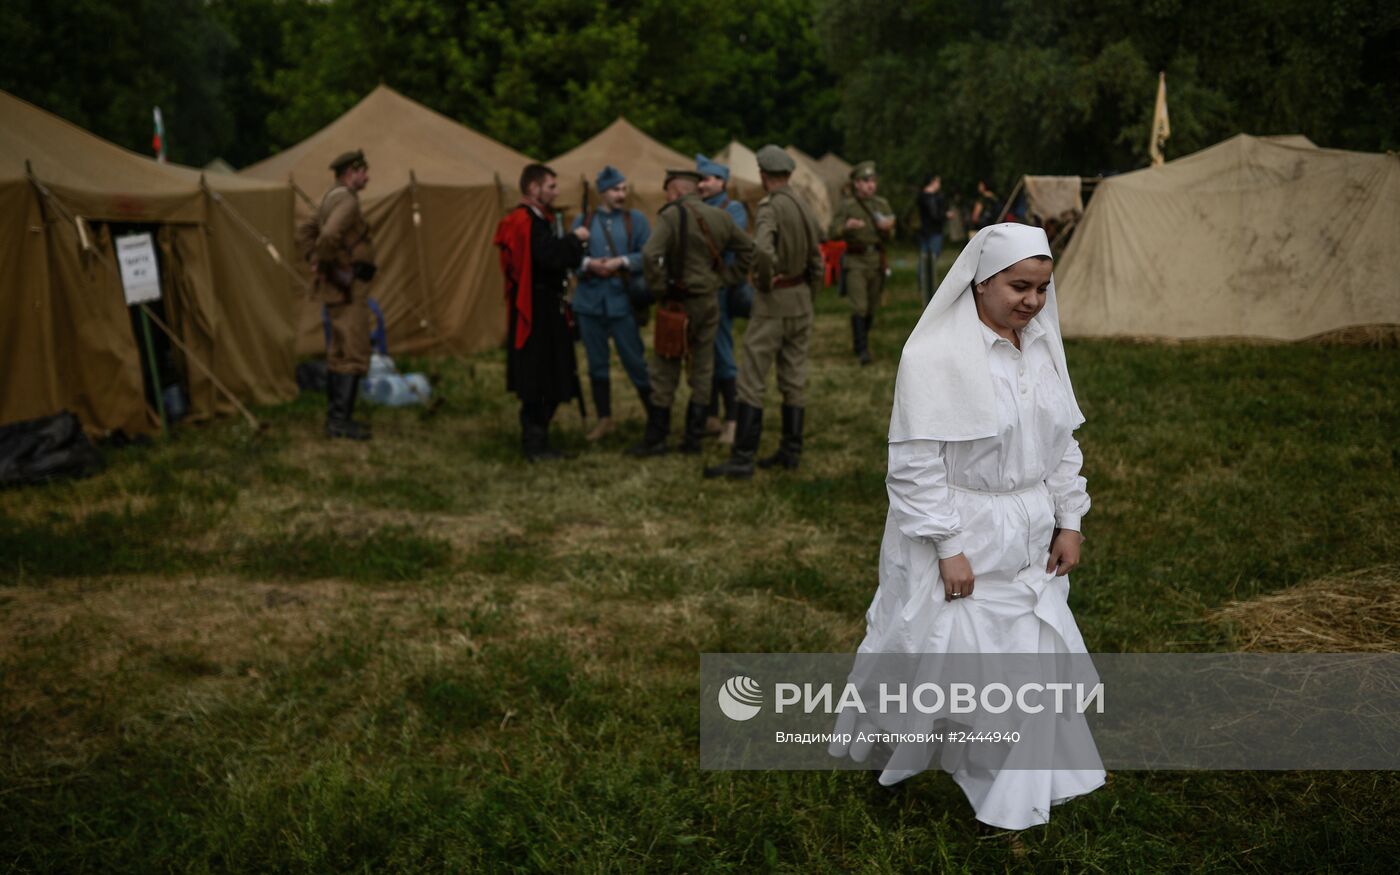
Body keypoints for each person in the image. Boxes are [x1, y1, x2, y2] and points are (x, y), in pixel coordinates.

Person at [830, 223, 1104, 831]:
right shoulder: (931, 357)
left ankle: (1010, 787)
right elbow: (913, 464)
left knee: (1021, 661)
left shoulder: (1041, 347)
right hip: (958, 528)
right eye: (1018, 287)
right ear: (979, 283)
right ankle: (896, 743)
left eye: (1041, 288)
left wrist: (1070, 519)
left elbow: (1060, 445)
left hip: (1027, 531)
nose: (1031, 302)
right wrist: (948, 546)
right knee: (934, 651)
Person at [704, 145, 823, 479]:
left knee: (751, 380)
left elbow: (762, 251)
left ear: (763, 175)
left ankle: (742, 458)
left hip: (774, 303)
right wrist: (808, 292)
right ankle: (791, 451)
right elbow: (816, 254)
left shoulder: (770, 207)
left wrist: (766, 282)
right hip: (800, 300)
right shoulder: (803, 203)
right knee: (793, 377)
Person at [630, 169, 755, 456]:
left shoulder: (671, 215)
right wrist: (727, 278)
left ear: (675, 190)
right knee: (703, 366)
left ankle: (657, 437)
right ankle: (693, 437)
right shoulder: (720, 215)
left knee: (665, 366)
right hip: (709, 301)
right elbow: (749, 249)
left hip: (677, 303)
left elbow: (650, 254)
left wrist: (659, 288)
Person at [493, 163, 590, 461]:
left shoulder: (536, 220)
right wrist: (576, 239)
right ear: (533, 188)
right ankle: (534, 444)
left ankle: (538, 439)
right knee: (539, 375)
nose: (556, 191)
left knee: (549, 374)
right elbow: (548, 257)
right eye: (550, 186)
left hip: (546, 307)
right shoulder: (524, 222)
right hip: (536, 311)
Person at [571, 165, 652, 442]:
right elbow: (571, 257)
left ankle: (655, 417)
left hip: (621, 301)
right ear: (602, 192)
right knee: (596, 364)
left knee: (635, 360)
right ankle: (605, 419)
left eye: (623, 188)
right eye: (616, 189)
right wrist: (588, 264)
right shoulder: (584, 220)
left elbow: (649, 255)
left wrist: (622, 262)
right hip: (590, 302)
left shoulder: (636, 220)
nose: (621, 194)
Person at [312, 149, 378, 440]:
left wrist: (316, 261)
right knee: (353, 350)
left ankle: (336, 419)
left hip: (338, 288)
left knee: (338, 352)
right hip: (348, 288)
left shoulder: (329, 197)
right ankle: (340, 421)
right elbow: (327, 236)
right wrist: (329, 264)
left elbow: (307, 233)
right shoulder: (347, 201)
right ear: (351, 172)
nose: (367, 176)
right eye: (363, 171)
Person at [696, 154, 753, 445]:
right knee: (705, 354)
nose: (702, 184)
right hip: (701, 291)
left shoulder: (734, 209)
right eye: (701, 179)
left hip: (721, 290)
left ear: (722, 182)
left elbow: (734, 246)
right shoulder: (698, 207)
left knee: (722, 353)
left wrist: (727, 279)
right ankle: (712, 415)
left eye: (707, 179)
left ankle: (733, 420)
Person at [829, 160, 894, 365]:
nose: (870, 185)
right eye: (866, 181)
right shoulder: (848, 206)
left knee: (871, 307)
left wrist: (887, 229)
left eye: (873, 180)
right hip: (855, 261)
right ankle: (862, 349)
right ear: (856, 183)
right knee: (860, 306)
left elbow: (892, 235)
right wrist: (846, 227)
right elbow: (831, 232)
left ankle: (862, 339)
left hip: (875, 260)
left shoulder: (881, 204)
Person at [916, 174, 949, 306]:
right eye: (938, 181)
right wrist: (945, 215)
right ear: (933, 182)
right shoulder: (930, 197)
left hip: (925, 232)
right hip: (934, 232)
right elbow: (935, 215)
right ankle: (928, 286)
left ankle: (923, 285)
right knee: (931, 259)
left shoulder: (921, 196)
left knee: (924, 259)